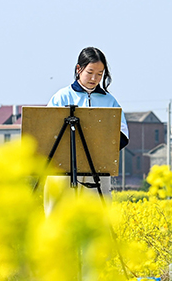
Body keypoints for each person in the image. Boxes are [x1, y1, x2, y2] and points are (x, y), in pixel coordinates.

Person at [45, 47, 130, 214]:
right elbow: (46, 131)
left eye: (99, 74)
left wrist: (102, 150)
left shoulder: (109, 101)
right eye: (90, 72)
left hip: (97, 167)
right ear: (79, 69)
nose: (94, 78)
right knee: (58, 215)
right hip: (62, 168)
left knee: (96, 216)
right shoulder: (62, 96)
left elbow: (122, 133)